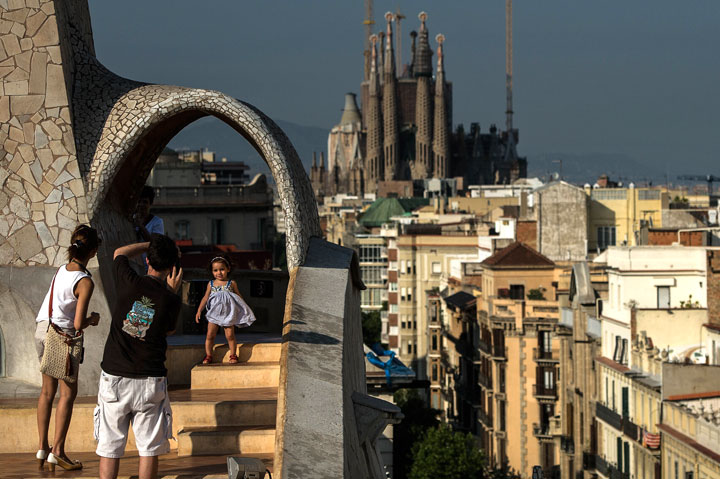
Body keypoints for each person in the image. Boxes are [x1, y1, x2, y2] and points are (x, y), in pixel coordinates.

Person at [95, 234, 183, 479]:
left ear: (147, 260)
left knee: (109, 448)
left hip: (115, 376)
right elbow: (169, 330)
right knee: (148, 449)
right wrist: (172, 292)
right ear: (172, 268)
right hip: (149, 379)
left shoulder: (128, 281)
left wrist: (150, 245)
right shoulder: (171, 299)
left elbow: (119, 252)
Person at [35, 224, 101, 471]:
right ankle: (58, 451)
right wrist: (92, 320)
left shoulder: (61, 270)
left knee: (46, 393)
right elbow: (77, 323)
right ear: (93, 251)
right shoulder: (84, 281)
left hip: (43, 330)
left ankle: (42, 447)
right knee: (68, 394)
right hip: (62, 338)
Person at [195, 255, 256, 364]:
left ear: (228, 269)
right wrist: (199, 310)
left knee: (230, 335)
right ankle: (208, 355)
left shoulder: (231, 283)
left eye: (222, 269)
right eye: (215, 270)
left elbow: (238, 297)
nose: (219, 272)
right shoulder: (211, 284)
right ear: (212, 271)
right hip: (214, 313)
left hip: (228, 314)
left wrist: (244, 308)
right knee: (210, 335)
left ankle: (233, 355)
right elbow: (205, 297)